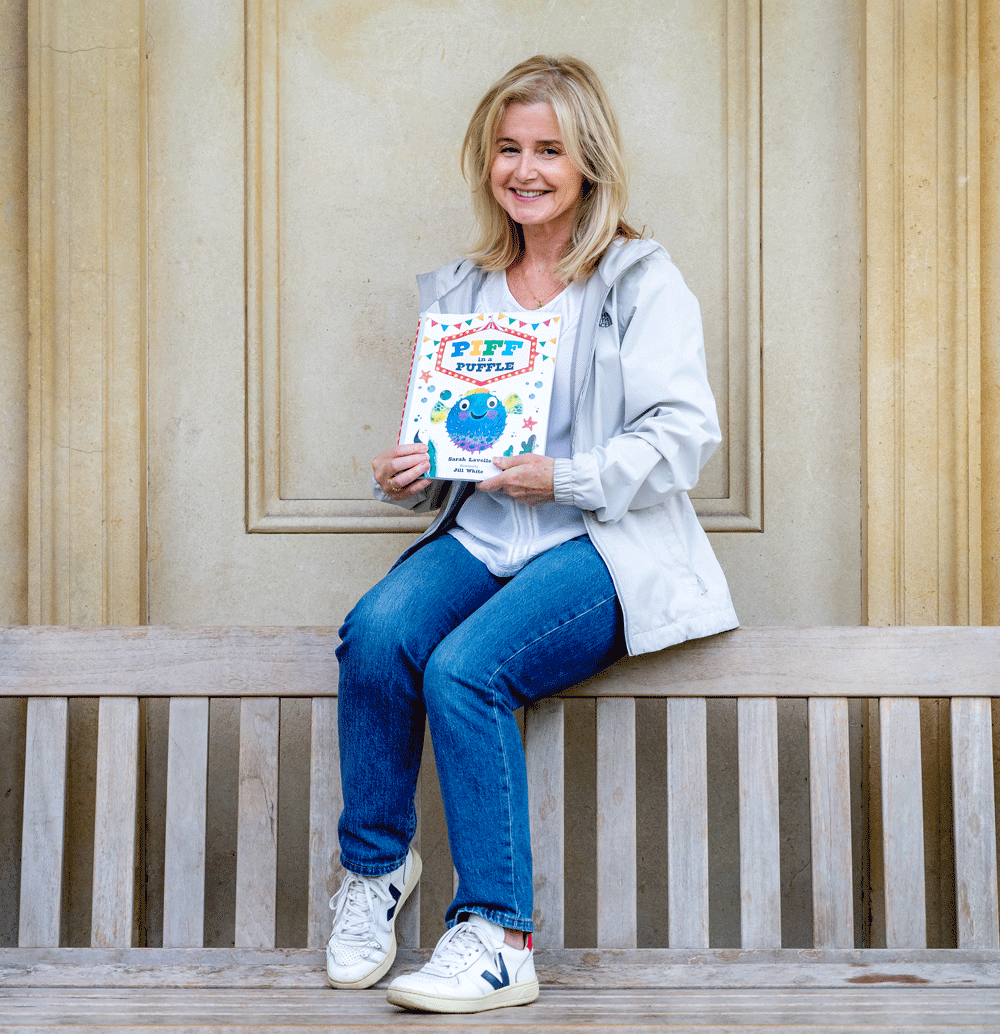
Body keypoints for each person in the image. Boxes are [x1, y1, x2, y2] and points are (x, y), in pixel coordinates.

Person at [325, 54, 739, 1015]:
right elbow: (457, 441)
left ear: (587, 161)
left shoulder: (640, 277)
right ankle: (377, 870)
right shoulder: (463, 291)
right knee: (377, 634)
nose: (526, 169)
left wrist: (571, 476)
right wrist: (415, 472)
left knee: (465, 669)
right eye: (508, 149)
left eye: (549, 149)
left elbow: (684, 435)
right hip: (488, 534)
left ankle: (498, 937)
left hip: (599, 544)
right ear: (487, 162)